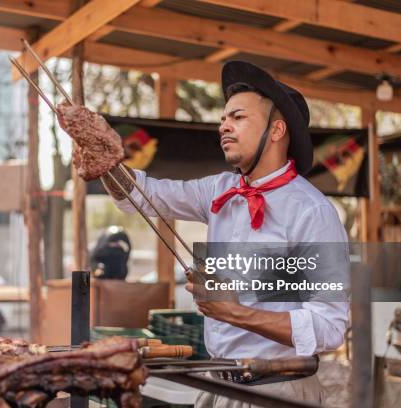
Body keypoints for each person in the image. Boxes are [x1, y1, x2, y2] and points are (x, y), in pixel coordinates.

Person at [57, 61, 349, 406]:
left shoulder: (312, 211)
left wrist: (234, 312)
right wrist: (106, 161)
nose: (223, 126)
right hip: (219, 388)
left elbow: (330, 328)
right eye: (223, 118)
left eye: (238, 117)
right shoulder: (219, 189)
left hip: (279, 392)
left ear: (276, 130)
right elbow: (145, 196)